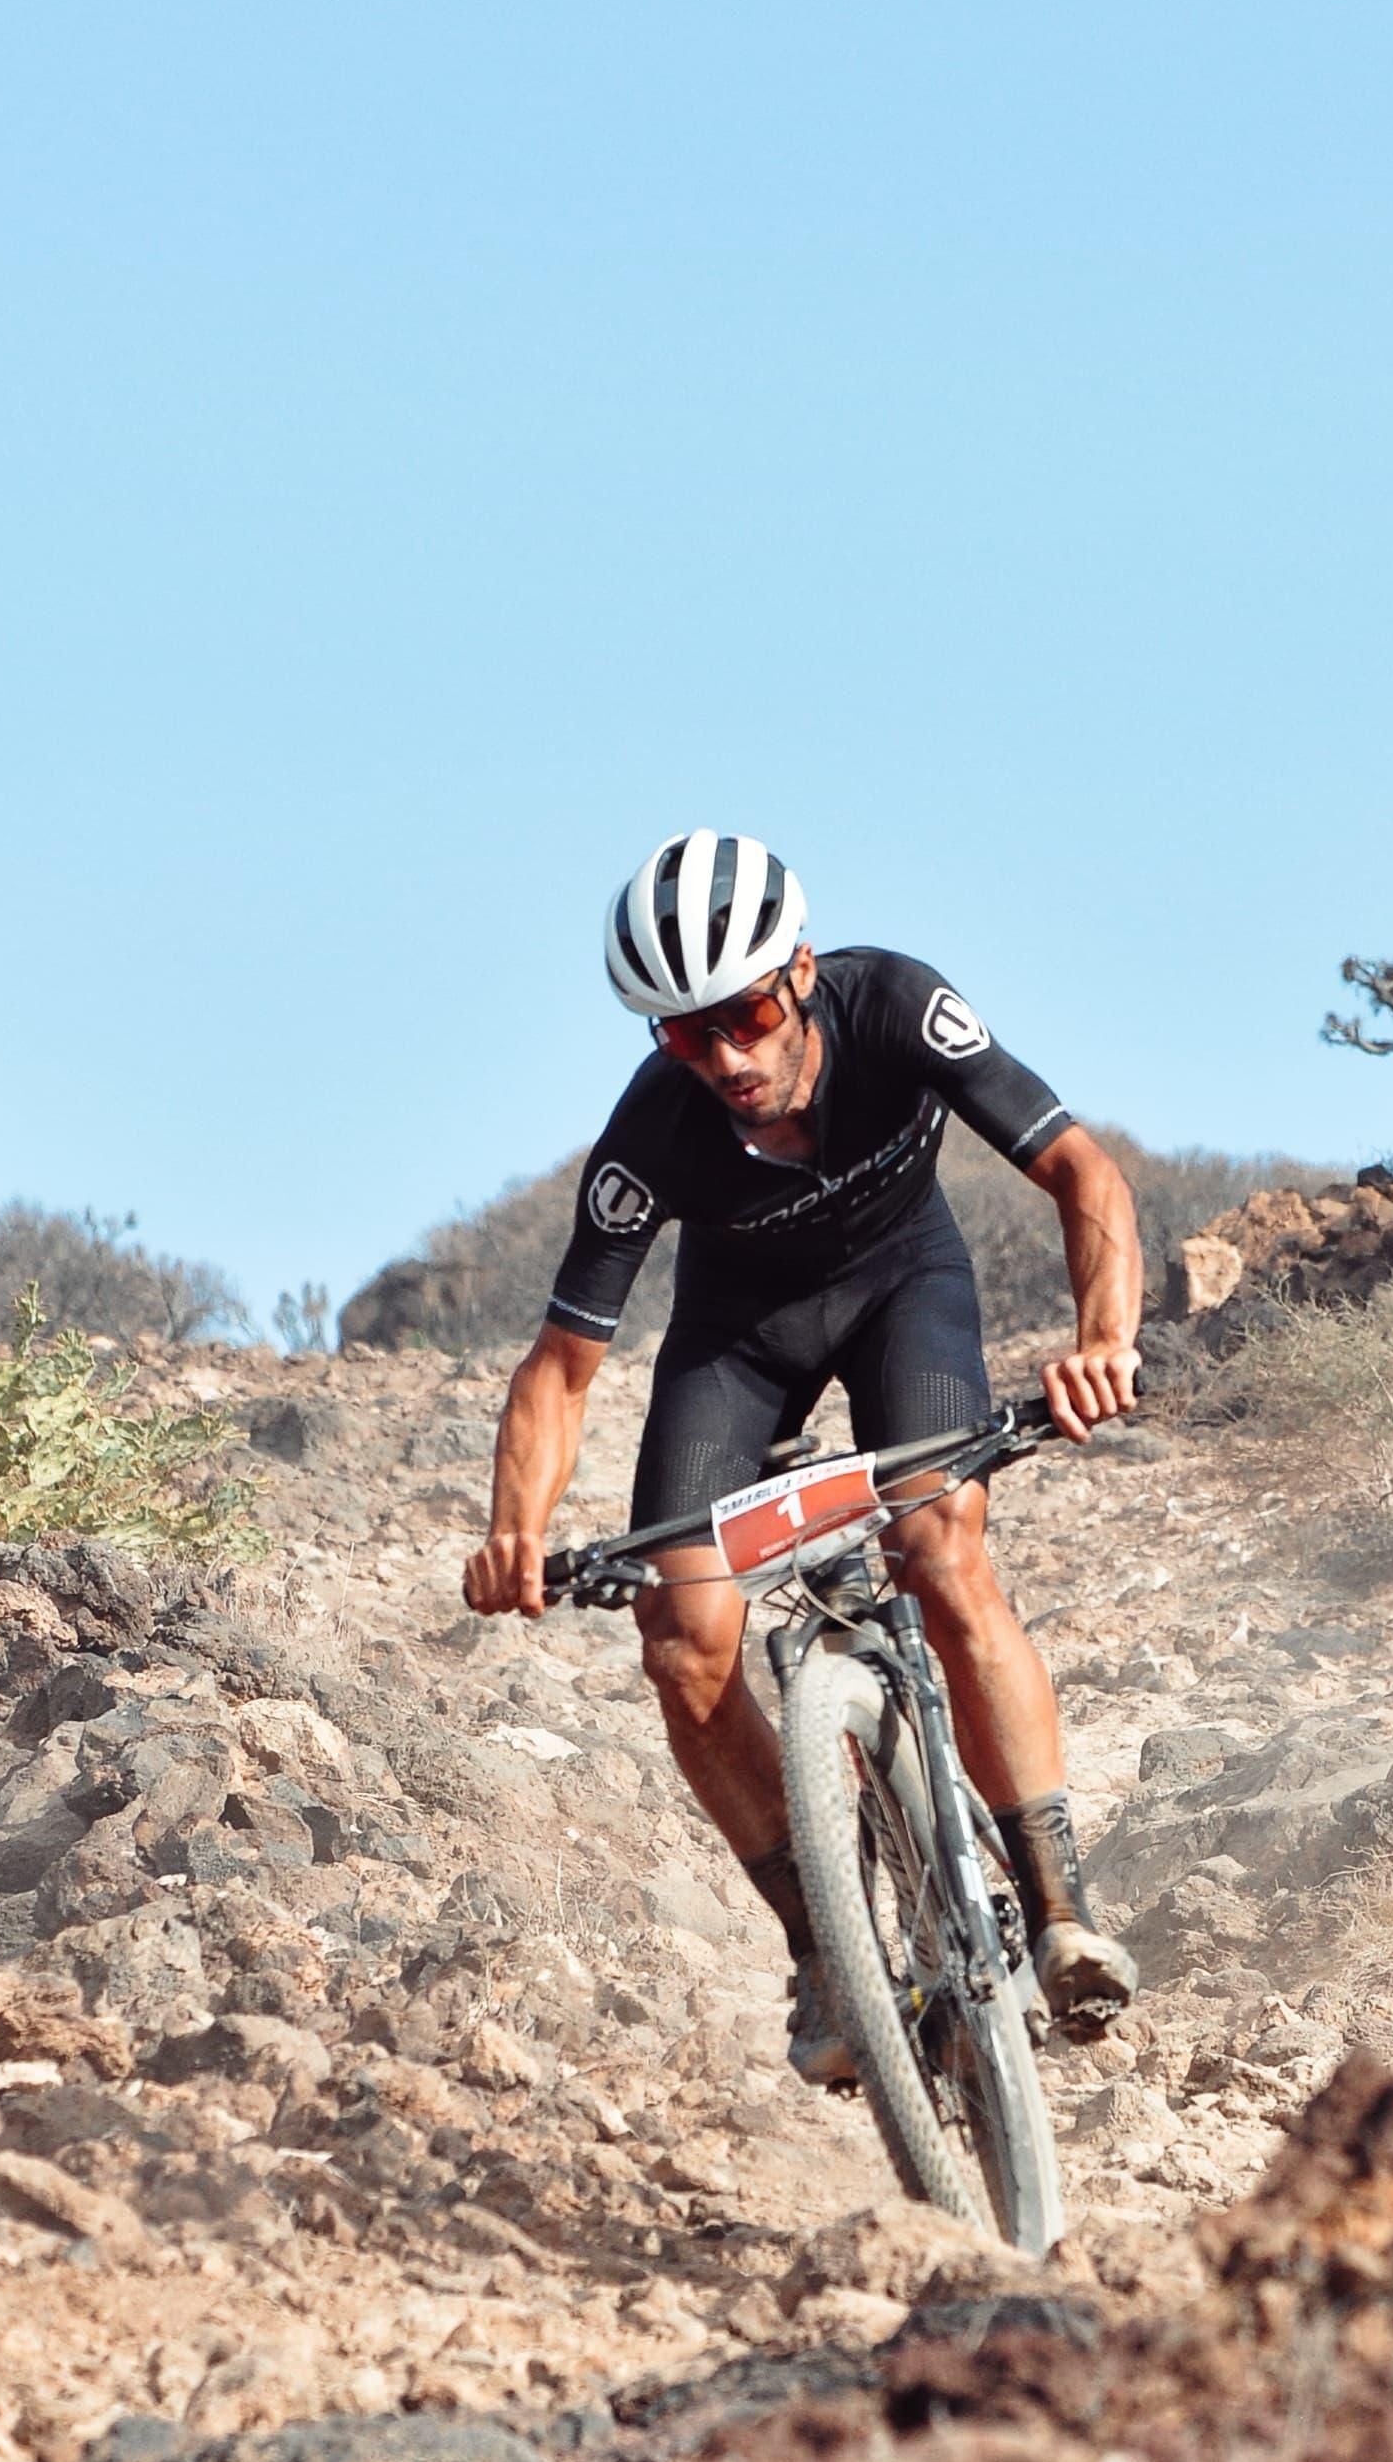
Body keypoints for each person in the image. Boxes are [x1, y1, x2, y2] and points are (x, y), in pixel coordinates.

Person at [462, 826, 1143, 2084]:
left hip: (906, 1291)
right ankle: (828, 1951)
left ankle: (1059, 1909)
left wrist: (1103, 1339)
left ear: (801, 973)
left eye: (748, 1013)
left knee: (941, 1545)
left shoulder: (895, 1006)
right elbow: (560, 1367)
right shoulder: (651, 1134)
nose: (727, 1055)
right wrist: (515, 1530)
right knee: (680, 1638)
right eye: (684, 1032)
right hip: (739, 1341)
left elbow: (1079, 1170)